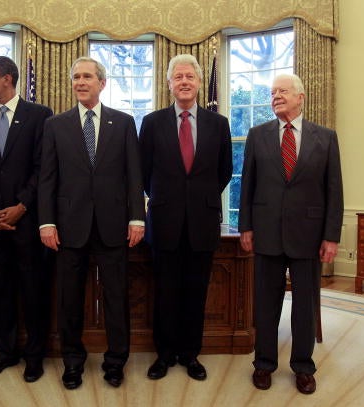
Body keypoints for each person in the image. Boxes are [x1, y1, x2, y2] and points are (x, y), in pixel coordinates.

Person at [38, 56, 145, 390]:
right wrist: (46, 223)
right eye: (75, 77)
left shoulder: (124, 122)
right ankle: (73, 361)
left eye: (87, 77)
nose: (80, 82)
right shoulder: (56, 125)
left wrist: (137, 217)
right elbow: (47, 179)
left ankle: (116, 361)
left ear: (102, 82)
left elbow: (133, 175)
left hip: (114, 225)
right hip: (69, 226)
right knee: (69, 298)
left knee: (116, 296)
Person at [238, 73, 343, 395]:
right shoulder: (257, 135)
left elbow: (334, 190)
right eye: (272, 93)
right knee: (265, 305)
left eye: (282, 91)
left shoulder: (325, 137)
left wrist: (331, 236)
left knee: (304, 306)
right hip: (267, 232)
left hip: (309, 235)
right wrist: (246, 226)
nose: (275, 97)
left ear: (300, 97)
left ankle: (303, 367)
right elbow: (248, 184)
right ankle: (264, 364)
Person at [139, 54, 232, 381]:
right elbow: (143, 172)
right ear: (169, 84)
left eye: (189, 77)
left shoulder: (218, 124)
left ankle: (191, 354)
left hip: (202, 223)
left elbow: (224, 171)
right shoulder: (152, 123)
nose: (184, 82)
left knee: (196, 293)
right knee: (164, 292)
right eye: (177, 77)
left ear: (197, 82)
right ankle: (163, 355)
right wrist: (169, 199)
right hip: (164, 221)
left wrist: (198, 200)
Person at [0, 56, 53, 382]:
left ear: (7, 78)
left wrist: (21, 206)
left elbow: (43, 168)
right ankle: (4, 352)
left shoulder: (39, 115)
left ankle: (35, 356)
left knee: (33, 291)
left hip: (28, 223)